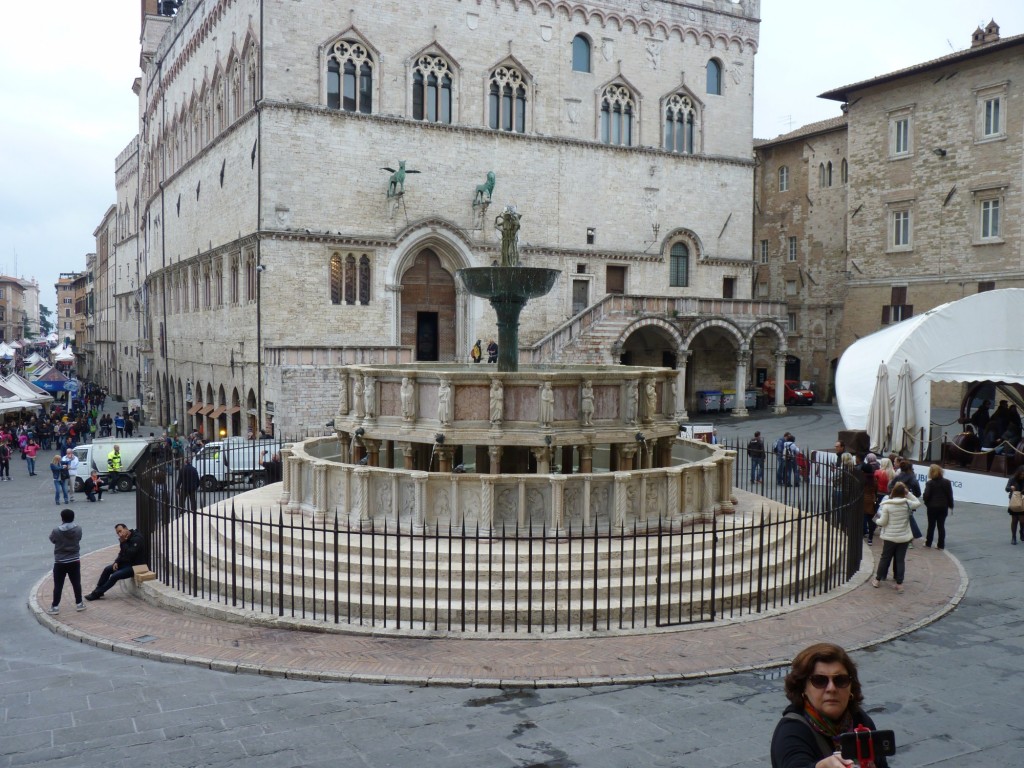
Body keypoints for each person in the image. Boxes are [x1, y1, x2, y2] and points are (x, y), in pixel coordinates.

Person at [770, 643, 889, 768]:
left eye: (840, 680)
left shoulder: (860, 721)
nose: (831, 688)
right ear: (803, 688)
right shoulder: (791, 731)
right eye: (819, 680)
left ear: (851, 687)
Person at [871, 482, 921, 593]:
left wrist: (877, 520)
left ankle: (877, 579)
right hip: (903, 537)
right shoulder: (907, 503)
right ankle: (899, 584)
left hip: (889, 536)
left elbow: (883, 522)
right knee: (900, 560)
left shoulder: (887, 505)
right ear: (904, 493)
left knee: (885, 558)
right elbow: (918, 502)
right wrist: (908, 493)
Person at [85, 523, 146, 600]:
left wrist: (123, 542)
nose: (119, 534)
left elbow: (131, 554)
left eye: (120, 531)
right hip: (126, 564)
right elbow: (122, 553)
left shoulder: (137, 538)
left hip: (136, 566)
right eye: (118, 533)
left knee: (115, 576)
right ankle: (98, 590)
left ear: (126, 528)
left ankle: (96, 594)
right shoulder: (125, 538)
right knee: (107, 569)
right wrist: (116, 561)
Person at [48, 508, 86, 614]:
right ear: (73, 517)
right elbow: (79, 539)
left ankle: (55, 606)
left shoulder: (56, 530)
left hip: (60, 561)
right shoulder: (78, 529)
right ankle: (79, 603)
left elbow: (52, 540)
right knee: (76, 583)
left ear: (62, 518)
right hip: (74, 560)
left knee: (58, 585)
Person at [888, 459, 923, 541]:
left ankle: (907, 535)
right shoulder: (912, 477)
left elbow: (890, 487)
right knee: (908, 518)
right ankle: (911, 536)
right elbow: (918, 492)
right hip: (908, 500)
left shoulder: (898, 477)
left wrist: (894, 493)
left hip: (896, 499)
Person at [921, 464, 954, 550]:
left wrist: (926, 502)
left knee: (931, 525)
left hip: (932, 507)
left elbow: (926, 495)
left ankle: (928, 543)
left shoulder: (930, 483)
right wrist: (951, 505)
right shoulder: (947, 482)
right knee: (941, 525)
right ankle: (941, 545)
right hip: (943, 506)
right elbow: (949, 495)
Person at [1005, 467, 1024, 545]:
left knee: (1022, 520)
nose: (1022, 476)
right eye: (1021, 474)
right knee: (1014, 520)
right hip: (1014, 501)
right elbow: (1006, 488)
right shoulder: (1012, 479)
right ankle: (1013, 537)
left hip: (1023, 501)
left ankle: (1022, 530)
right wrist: (1011, 488)